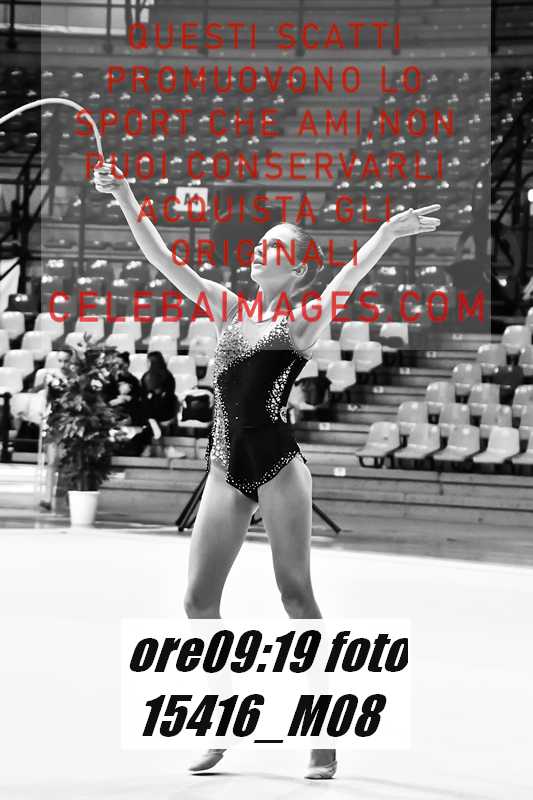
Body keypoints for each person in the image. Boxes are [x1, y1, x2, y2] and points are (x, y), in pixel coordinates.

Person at [93, 161, 440, 779]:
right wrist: (124, 194)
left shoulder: (302, 319)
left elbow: (349, 277)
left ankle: (324, 732)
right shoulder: (227, 307)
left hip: (279, 466)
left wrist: (386, 233)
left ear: (297, 268)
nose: (259, 251)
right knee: (198, 601)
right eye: (259, 243)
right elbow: (162, 259)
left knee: (295, 594)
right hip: (225, 467)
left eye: (274, 247)